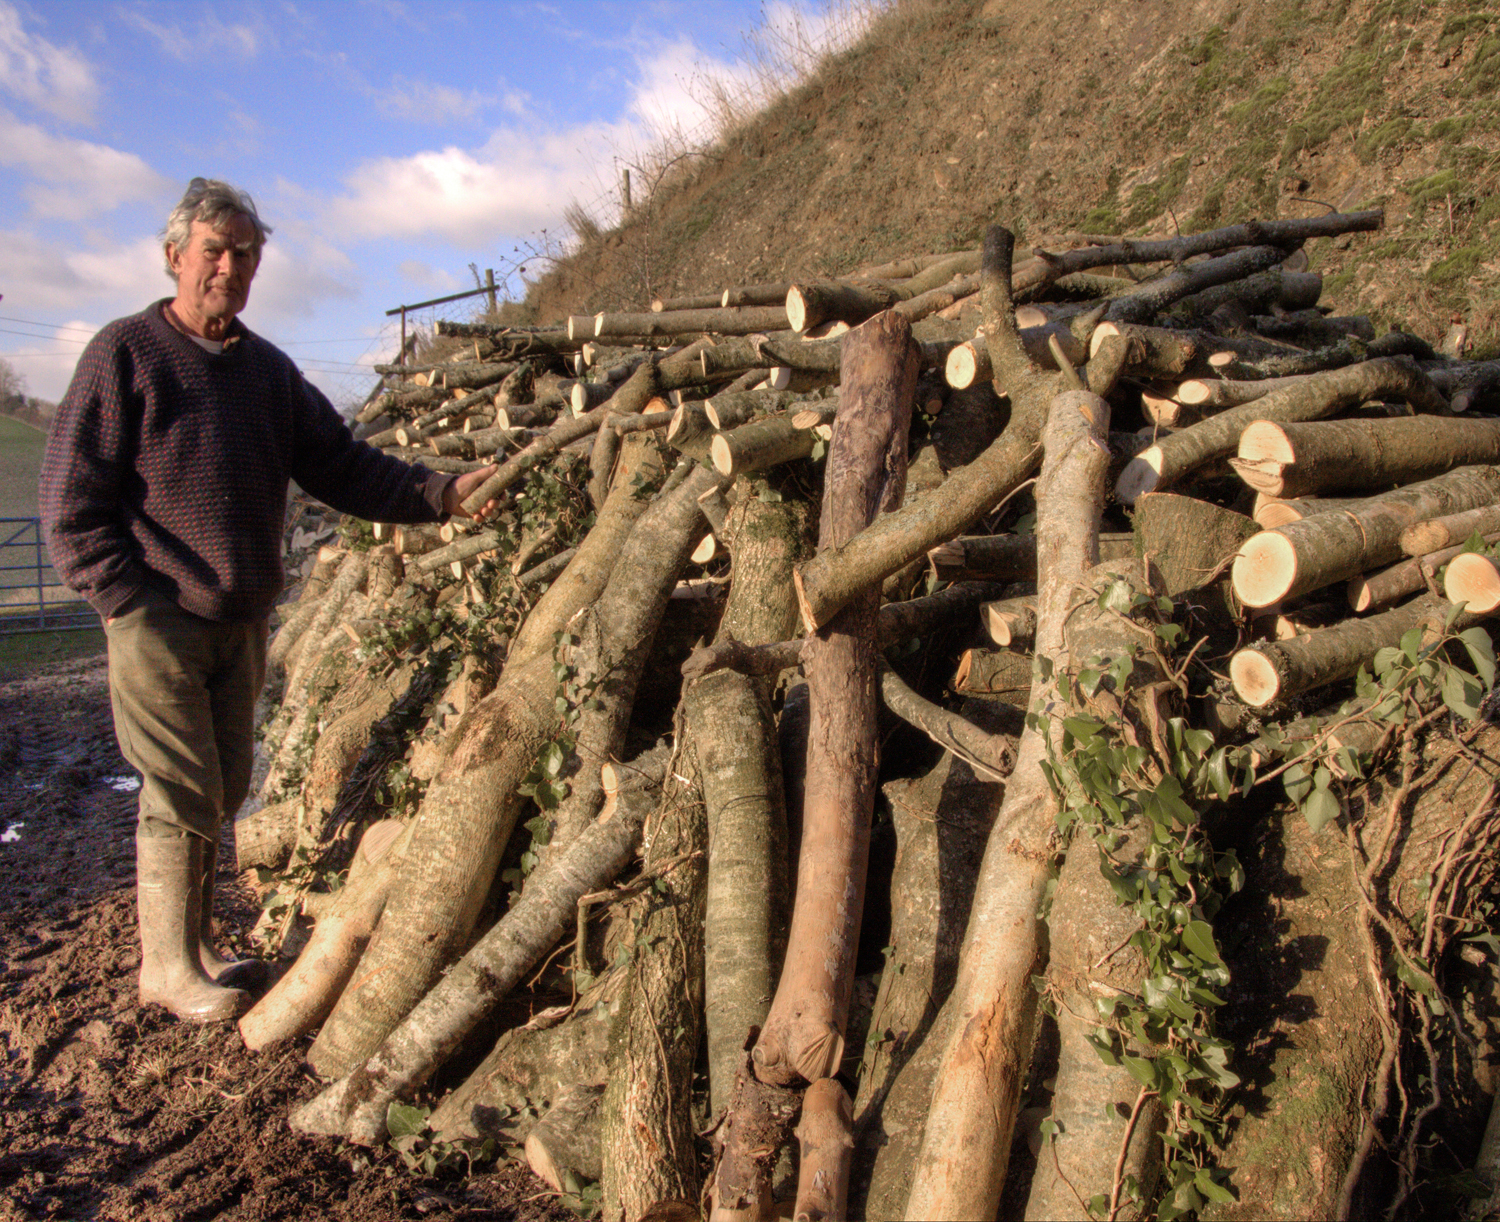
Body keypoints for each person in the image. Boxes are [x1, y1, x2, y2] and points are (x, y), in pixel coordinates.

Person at [39, 178, 499, 1023]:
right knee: (178, 786)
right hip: (156, 617)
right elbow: (70, 500)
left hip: (238, 620)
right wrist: (124, 598)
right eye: (213, 250)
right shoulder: (125, 354)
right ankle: (167, 969)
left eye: (245, 254)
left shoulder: (266, 372)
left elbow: (343, 464)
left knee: (221, 785)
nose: (230, 267)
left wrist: (442, 493)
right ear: (174, 255)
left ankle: (199, 949)